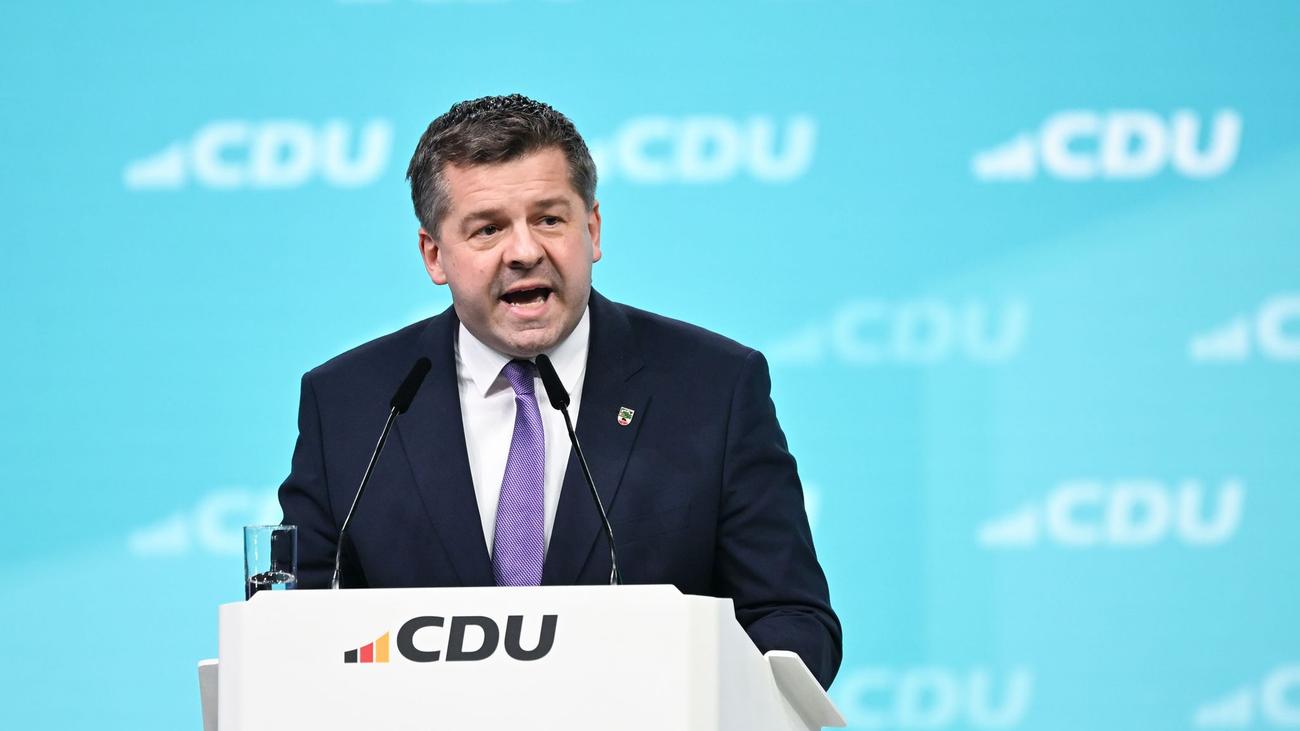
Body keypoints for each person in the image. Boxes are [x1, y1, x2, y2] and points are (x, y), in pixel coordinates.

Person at [278, 94, 842, 688]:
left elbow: (791, 619)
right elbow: (292, 635)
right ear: (434, 255)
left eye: (549, 219)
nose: (525, 252)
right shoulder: (351, 404)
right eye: (488, 229)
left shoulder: (713, 387)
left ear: (592, 230)